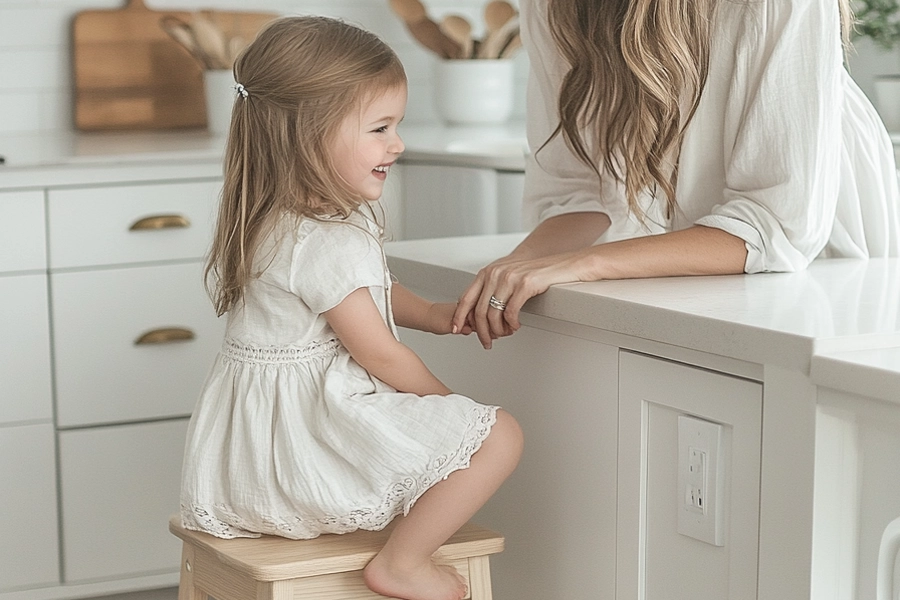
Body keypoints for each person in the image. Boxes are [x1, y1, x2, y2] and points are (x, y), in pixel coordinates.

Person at [179, 16, 523, 600]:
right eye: (380, 127)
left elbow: (365, 295)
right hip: (303, 453)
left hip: (252, 460)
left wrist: (436, 314)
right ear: (308, 135)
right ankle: (402, 565)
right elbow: (379, 353)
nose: (398, 144)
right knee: (499, 438)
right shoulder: (325, 238)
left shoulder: (275, 215)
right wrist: (450, 408)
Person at [452, 0, 900, 349]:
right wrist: (516, 270)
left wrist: (584, 264)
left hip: (816, 259)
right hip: (698, 254)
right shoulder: (558, 7)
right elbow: (576, 190)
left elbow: (774, 228)